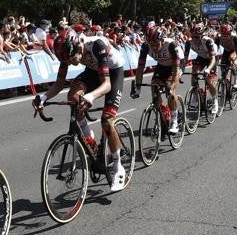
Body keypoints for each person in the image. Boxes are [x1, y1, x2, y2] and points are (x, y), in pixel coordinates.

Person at [32, 27, 128, 191]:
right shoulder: (66, 52)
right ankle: (89, 139)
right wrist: (43, 98)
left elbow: (106, 85)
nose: (69, 63)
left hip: (113, 73)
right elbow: (59, 84)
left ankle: (118, 166)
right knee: (73, 97)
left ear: (77, 46)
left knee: (106, 120)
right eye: (66, 61)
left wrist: (90, 97)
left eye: (70, 59)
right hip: (92, 71)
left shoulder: (97, 45)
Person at [132, 26, 182, 134]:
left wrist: (172, 86)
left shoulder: (171, 45)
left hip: (176, 65)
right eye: (151, 44)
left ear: (162, 40)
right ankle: (164, 111)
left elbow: (176, 69)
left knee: (170, 92)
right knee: (154, 88)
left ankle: (174, 121)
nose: (154, 47)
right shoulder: (145, 46)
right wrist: (138, 88)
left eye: (156, 44)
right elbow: (140, 67)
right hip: (162, 65)